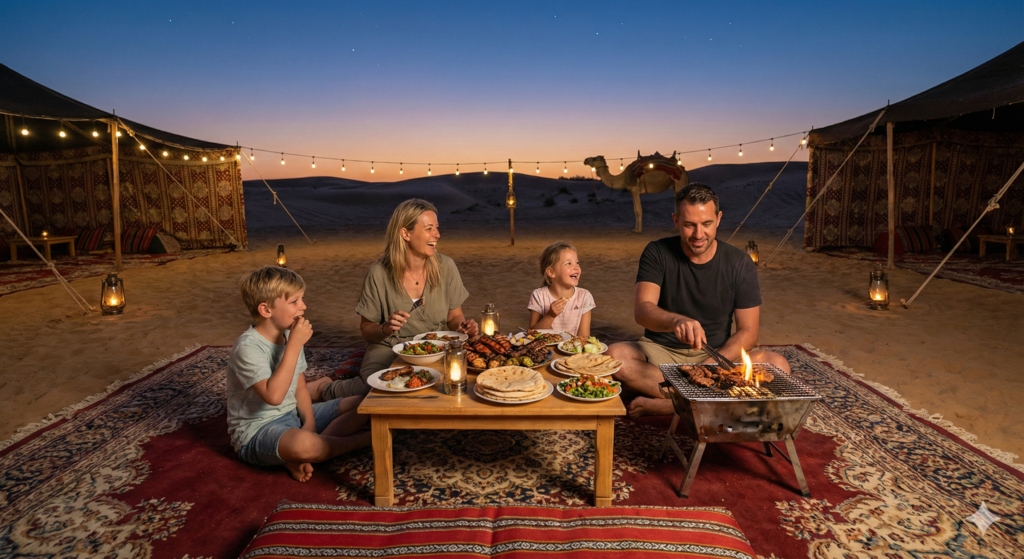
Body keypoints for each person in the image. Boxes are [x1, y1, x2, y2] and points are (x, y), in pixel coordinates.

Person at [606, 183, 791, 417]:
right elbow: (643, 310)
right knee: (614, 357)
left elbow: (749, 332)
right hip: (661, 353)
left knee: (778, 365)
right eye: (689, 225)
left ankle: (671, 404)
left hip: (717, 355)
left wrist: (708, 368)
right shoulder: (657, 252)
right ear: (676, 221)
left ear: (719, 219)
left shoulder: (740, 262)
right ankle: (705, 401)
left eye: (706, 224)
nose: (698, 234)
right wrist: (676, 321)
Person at [309, 198, 479, 401]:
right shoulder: (379, 273)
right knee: (373, 387)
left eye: (437, 228)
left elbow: (454, 316)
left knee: (454, 381)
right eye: (429, 229)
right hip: (389, 346)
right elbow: (366, 329)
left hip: (434, 349)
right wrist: (386, 328)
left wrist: (462, 327)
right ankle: (323, 389)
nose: (437, 234)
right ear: (405, 233)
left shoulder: (446, 266)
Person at [227, 266, 370, 482]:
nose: (303, 306)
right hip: (258, 431)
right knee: (304, 444)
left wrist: (309, 423)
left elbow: (300, 387)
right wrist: (294, 345)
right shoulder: (247, 347)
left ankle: (305, 454)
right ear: (266, 310)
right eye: (295, 301)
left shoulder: (289, 334)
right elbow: (274, 397)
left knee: (364, 403)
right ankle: (360, 442)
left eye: (301, 299)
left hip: (293, 415)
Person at [527, 241, 595, 338]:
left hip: (573, 347)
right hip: (546, 347)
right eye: (568, 263)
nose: (576, 267)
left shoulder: (584, 296)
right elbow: (531, 334)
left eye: (577, 262)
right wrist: (550, 315)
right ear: (551, 272)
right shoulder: (539, 296)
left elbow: (584, 337)